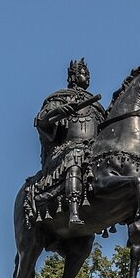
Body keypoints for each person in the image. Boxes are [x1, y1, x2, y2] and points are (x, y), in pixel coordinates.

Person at [33, 58, 104, 225]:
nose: (87, 77)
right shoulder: (60, 98)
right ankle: (73, 212)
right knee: (75, 155)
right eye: (83, 73)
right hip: (66, 150)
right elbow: (41, 121)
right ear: (73, 76)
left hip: (92, 149)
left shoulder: (97, 106)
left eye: (88, 74)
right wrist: (58, 110)